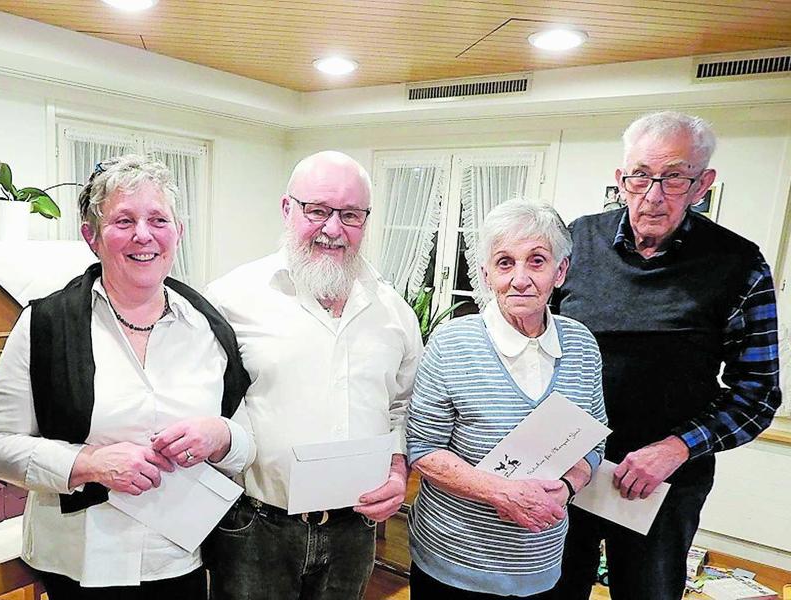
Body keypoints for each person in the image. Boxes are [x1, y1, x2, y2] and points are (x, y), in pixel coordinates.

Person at [0, 154, 254, 599]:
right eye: (124, 220)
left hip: (180, 560)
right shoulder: (45, 324)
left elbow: (246, 440)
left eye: (158, 219)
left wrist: (221, 435)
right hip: (80, 563)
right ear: (92, 237)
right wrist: (88, 464)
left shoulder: (210, 327)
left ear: (178, 232)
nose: (144, 235)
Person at [552, 111, 782, 600]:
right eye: (640, 176)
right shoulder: (576, 243)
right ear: (621, 179)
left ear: (703, 184)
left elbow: (758, 394)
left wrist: (675, 449)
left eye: (674, 178)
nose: (653, 195)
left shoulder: (739, 264)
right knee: (552, 591)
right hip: (568, 468)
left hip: (662, 483)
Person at [204, 150, 423, 600]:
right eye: (318, 210)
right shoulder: (232, 298)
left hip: (353, 530)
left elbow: (402, 405)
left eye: (350, 215)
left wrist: (398, 470)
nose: (332, 228)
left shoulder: (392, 309)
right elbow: (206, 404)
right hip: (255, 528)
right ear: (288, 209)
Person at [405, 200, 607, 599]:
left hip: (541, 563)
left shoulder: (582, 345)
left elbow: (594, 443)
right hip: (452, 562)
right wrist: (502, 493)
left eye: (536, 261)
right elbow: (422, 449)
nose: (520, 279)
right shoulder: (451, 343)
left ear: (560, 271)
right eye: (504, 263)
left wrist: (567, 487)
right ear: (486, 275)